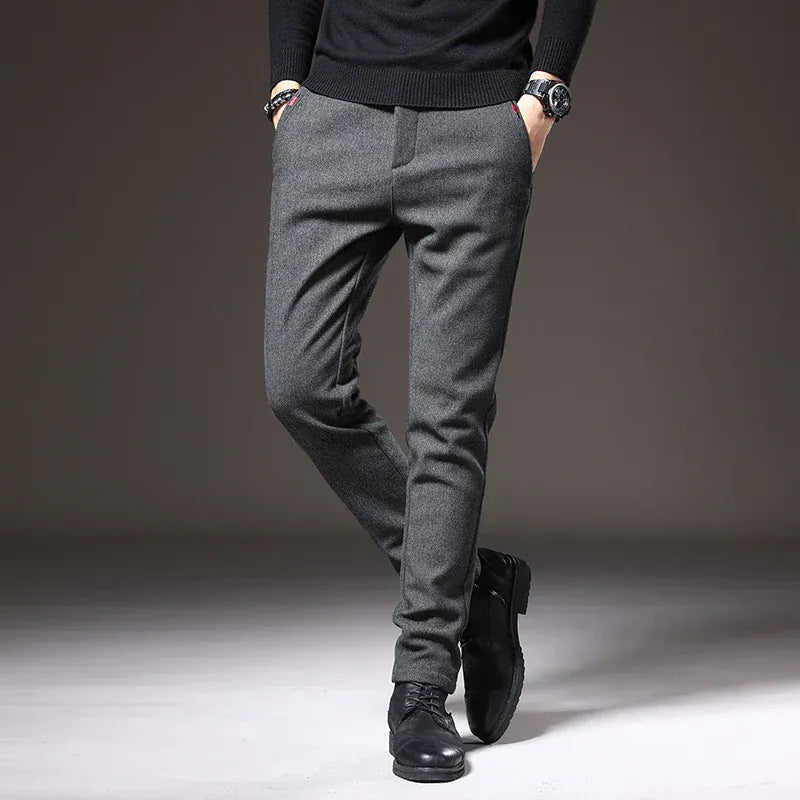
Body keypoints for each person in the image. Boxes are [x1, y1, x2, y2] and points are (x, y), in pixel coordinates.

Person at [264, 0, 596, 783]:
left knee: (450, 416)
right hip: (332, 121)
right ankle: (471, 583)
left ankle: (421, 686)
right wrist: (285, 88)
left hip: (478, 129)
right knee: (298, 383)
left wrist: (542, 98)